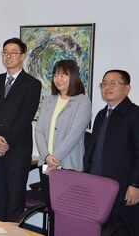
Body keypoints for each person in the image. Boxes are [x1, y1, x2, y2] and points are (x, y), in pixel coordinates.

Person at [0, 37, 41, 221]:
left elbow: (26, 117)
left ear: (22, 56)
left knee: (15, 197)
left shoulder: (32, 84)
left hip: (17, 150)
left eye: (13, 53)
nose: (8, 56)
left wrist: (5, 142)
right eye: (5, 52)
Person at [35, 59, 92, 235]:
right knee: (52, 210)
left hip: (68, 166)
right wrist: (46, 157)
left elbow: (74, 135)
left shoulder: (82, 102)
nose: (58, 79)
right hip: (46, 165)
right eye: (56, 75)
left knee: (67, 213)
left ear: (73, 76)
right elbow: (39, 131)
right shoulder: (49, 100)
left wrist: (55, 158)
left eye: (63, 75)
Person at [84, 70, 139, 236]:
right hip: (98, 184)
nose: (107, 87)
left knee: (123, 229)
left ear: (127, 89)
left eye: (114, 83)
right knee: (102, 229)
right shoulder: (101, 115)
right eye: (104, 83)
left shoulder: (135, 115)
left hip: (124, 187)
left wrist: (136, 185)